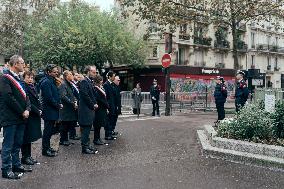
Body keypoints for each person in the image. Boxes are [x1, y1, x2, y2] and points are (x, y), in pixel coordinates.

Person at [0, 55, 32, 179]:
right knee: (8, 144)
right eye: (22, 63)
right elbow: (8, 97)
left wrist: (27, 108)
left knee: (17, 143)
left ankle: (16, 164)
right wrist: (22, 111)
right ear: (15, 64)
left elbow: (26, 96)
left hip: (21, 117)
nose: (24, 65)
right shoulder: (4, 78)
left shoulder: (18, 78)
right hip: (10, 117)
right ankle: (6, 169)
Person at [40, 64, 62, 157]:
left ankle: (48, 147)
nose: (56, 73)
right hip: (49, 110)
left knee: (49, 131)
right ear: (48, 72)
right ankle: (45, 150)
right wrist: (58, 105)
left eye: (57, 72)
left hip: (53, 110)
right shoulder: (46, 82)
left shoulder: (51, 81)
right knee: (47, 131)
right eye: (54, 72)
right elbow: (48, 98)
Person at [21, 71, 42, 165]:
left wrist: (40, 109)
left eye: (31, 78)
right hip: (29, 115)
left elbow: (37, 99)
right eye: (28, 77)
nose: (30, 80)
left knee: (29, 137)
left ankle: (28, 156)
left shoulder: (33, 87)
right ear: (24, 78)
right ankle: (25, 157)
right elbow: (29, 102)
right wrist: (37, 110)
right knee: (26, 137)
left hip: (33, 115)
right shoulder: (24, 87)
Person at [78, 66, 98, 154]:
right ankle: (84, 148)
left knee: (88, 128)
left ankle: (87, 145)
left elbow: (92, 95)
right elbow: (85, 95)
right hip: (85, 110)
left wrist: (94, 103)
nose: (95, 74)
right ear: (88, 72)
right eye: (93, 72)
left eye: (95, 72)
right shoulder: (84, 82)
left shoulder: (89, 81)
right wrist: (93, 104)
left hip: (89, 109)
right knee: (85, 129)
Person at [59, 70, 79, 146]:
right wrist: (72, 102)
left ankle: (66, 139)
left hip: (69, 108)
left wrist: (75, 101)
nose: (72, 75)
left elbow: (72, 95)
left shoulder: (69, 84)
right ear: (67, 76)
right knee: (64, 125)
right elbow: (63, 96)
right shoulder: (63, 84)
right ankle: (63, 140)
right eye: (70, 74)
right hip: (65, 109)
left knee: (67, 125)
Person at [93, 75, 109, 145]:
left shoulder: (100, 88)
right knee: (97, 125)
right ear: (98, 81)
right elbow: (100, 99)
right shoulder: (95, 88)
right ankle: (96, 139)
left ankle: (98, 138)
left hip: (102, 109)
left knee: (99, 125)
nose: (102, 82)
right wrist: (107, 105)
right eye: (101, 80)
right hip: (99, 109)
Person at [103, 71, 117, 140]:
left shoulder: (112, 84)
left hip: (112, 105)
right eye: (113, 76)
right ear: (109, 77)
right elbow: (106, 97)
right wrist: (107, 107)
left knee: (111, 120)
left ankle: (110, 134)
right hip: (109, 106)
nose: (114, 77)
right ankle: (107, 135)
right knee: (108, 121)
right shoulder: (106, 84)